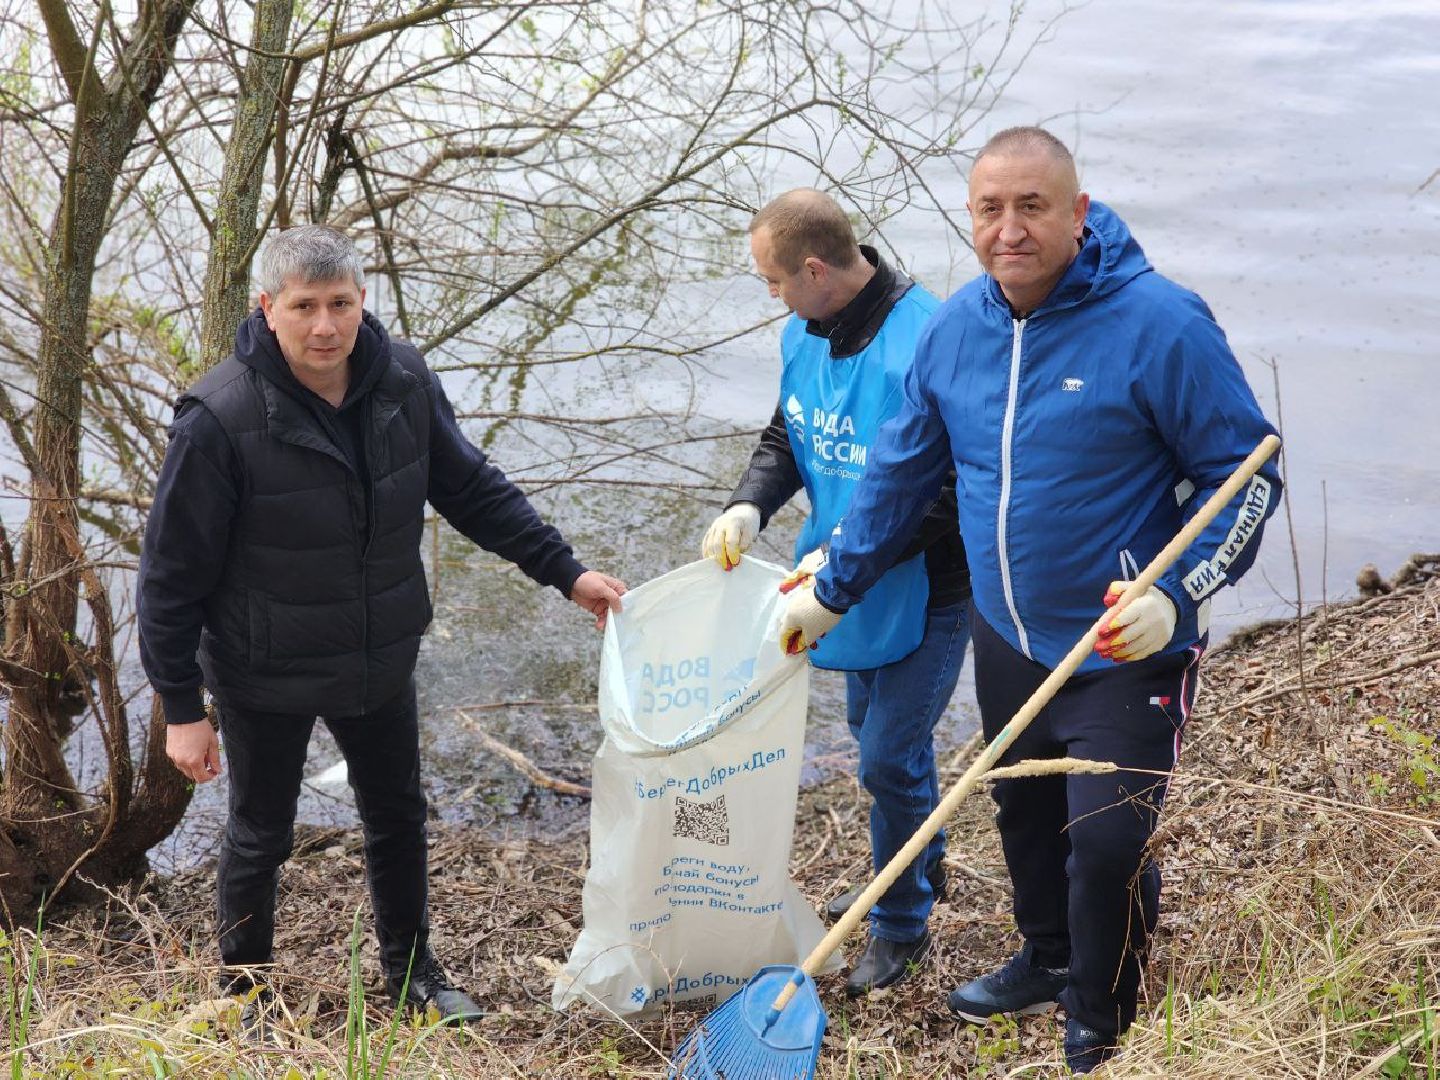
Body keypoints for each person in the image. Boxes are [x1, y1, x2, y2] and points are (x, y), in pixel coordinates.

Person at [777, 128, 1281, 1072]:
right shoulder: (957, 330)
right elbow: (897, 474)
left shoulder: (1163, 325)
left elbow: (1246, 478)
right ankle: (1049, 958)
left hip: (1122, 646)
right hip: (1007, 631)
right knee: (1023, 816)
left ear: (1079, 213)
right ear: (970, 218)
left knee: (1107, 836)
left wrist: (1174, 596)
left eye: (1032, 207)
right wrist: (833, 591)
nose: (1009, 229)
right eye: (989, 209)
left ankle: (1102, 1009)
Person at [137, 224, 625, 1029]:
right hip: (267, 668)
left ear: (363, 302)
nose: (324, 326)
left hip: (378, 653)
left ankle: (412, 977)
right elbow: (168, 578)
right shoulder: (217, 418)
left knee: (398, 816)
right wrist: (182, 710)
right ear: (267, 308)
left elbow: (470, 488)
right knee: (261, 834)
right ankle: (245, 993)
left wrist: (565, 572)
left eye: (340, 304)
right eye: (304, 307)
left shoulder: (403, 380)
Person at [701, 189, 971, 996]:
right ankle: (917, 865)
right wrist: (750, 501)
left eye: (774, 282)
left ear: (815, 269)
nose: (773, 298)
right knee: (873, 738)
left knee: (889, 753)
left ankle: (899, 924)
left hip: (928, 584)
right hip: (836, 580)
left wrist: (848, 568)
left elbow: (951, 488)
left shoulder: (930, 338)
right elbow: (789, 430)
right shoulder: (806, 329)